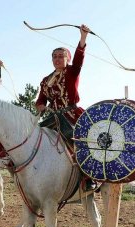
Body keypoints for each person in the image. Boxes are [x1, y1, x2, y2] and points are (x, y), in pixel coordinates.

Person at [35, 24, 96, 191]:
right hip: (53, 117)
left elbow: (79, 59)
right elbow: (41, 99)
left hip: (71, 115)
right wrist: (40, 105)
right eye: (54, 56)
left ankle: (88, 177)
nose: (57, 59)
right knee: (35, 137)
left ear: (67, 58)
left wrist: (83, 38)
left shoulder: (72, 71)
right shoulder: (46, 79)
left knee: (77, 140)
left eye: (61, 56)